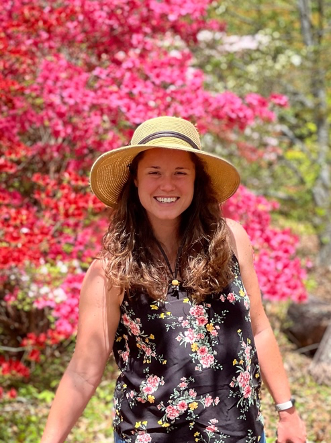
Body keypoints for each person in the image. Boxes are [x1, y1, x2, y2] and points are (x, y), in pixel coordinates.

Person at [41, 116, 306, 443]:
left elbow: (260, 327)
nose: (167, 185)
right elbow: (83, 372)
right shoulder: (111, 270)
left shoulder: (231, 240)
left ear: (197, 181)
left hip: (241, 435)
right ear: (135, 180)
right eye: (154, 172)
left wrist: (287, 410)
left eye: (180, 172)